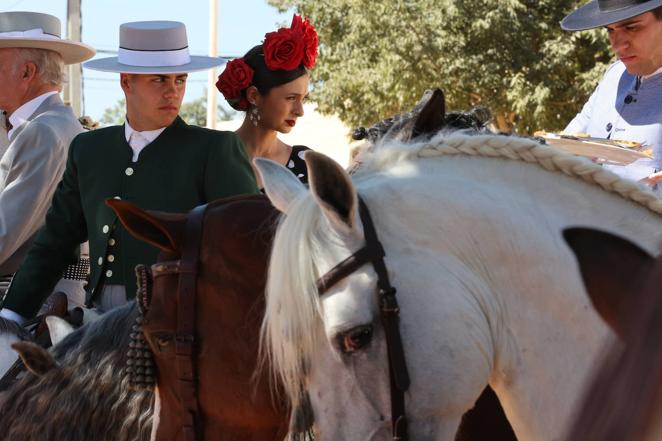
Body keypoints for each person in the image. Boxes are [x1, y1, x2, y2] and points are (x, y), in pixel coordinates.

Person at [0, 21, 258, 324]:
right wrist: (11, 315)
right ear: (126, 82)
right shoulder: (89, 149)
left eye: (180, 80)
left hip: (179, 323)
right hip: (96, 321)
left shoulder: (214, 149)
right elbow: (54, 243)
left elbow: (248, 248)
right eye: (159, 80)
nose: (172, 91)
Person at [0, 11, 95, 307]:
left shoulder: (40, 131)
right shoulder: (59, 125)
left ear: (27, 73)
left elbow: (4, 235)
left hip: (32, 306)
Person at [562, 0, 662, 187]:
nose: (617, 46)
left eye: (631, 27)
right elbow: (567, 141)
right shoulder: (614, 76)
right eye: (610, 30)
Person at [216, 14, 318, 186]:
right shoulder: (213, 156)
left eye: (303, 99)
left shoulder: (306, 164)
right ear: (253, 96)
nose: (300, 111)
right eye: (291, 98)